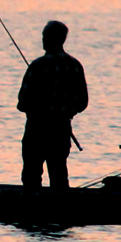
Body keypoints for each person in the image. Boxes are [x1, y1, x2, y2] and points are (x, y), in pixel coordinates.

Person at [17, 20, 88, 190]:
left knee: (31, 177)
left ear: (55, 38)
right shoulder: (75, 65)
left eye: (45, 36)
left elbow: (22, 102)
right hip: (61, 129)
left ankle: (33, 212)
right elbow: (82, 103)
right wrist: (66, 111)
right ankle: (60, 212)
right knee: (59, 176)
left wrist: (38, 109)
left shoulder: (38, 66)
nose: (43, 39)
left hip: (36, 129)